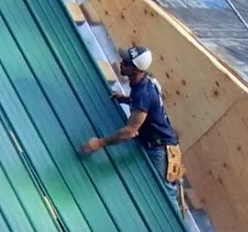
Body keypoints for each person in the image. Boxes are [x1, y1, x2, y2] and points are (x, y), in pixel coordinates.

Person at [78, 45, 182, 199]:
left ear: (136, 70)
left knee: (163, 197)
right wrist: (126, 99)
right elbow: (148, 107)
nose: (121, 63)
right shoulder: (143, 84)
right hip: (157, 144)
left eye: (126, 62)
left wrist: (99, 143)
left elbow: (130, 130)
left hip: (160, 150)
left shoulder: (143, 93)